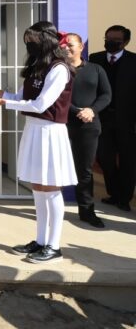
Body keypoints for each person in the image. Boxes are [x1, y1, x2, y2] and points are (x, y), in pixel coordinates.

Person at [0, 21, 77, 264]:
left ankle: (54, 245)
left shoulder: (60, 69)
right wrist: (3, 95)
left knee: (51, 188)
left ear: (46, 41)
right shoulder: (37, 66)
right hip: (34, 130)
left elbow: (41, 104)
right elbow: (23, 97)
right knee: (38, 187)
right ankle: (40, 240)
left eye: (32, 41)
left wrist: (5, 104)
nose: (29, 45)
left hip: (50, 132)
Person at [64, 33, 111, 228]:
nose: (66, 48)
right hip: (62, 123)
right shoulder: (58, 70)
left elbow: (106, 95)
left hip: (89, 126)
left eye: (71, 45)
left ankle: (87, 211)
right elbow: (57, 97)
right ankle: (51, 208)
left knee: (85, 170)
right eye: (63, 45)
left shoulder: (96, 69)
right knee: (58, 167)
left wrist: (91, 110)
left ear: (81, 46)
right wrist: (77, 111)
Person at [88, 25, 136, 212]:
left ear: (125, 42)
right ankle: (114, 193)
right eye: (107, 38)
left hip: (127, 120)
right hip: (102, 118)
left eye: (115, 40)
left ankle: (124, 198)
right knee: (104, 158)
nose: (110, 42)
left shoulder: (134, 61)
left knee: (128, 161)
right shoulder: (96, 59)